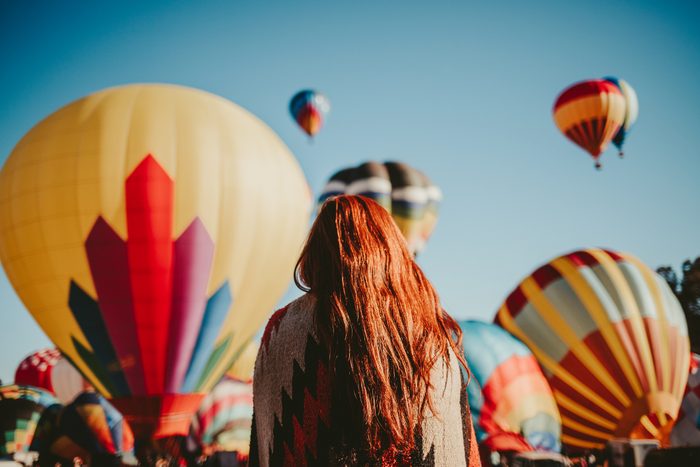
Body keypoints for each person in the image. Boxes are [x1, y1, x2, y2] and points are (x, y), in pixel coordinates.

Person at [249, 195, 480, 466]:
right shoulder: (430, 336)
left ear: (316, 251)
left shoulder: (281, 332)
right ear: (392, 249)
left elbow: (266, 440)